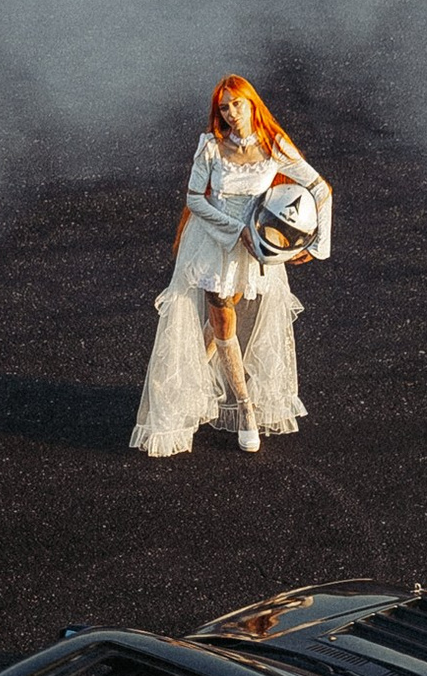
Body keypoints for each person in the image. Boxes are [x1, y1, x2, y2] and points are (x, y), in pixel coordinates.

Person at [130, 75, 332, 458]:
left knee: (223, 323)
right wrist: (235, 230)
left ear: (252, 104)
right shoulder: (211, 147)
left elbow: (319, 189)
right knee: (223, 320)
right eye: (224, 106)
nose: (231, 112)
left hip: (255, 250)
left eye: (237, 104)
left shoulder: (274, 146)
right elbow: (195, 199)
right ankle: (245, 409)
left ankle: (190, 385)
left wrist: (315, 245)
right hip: (213, 241)